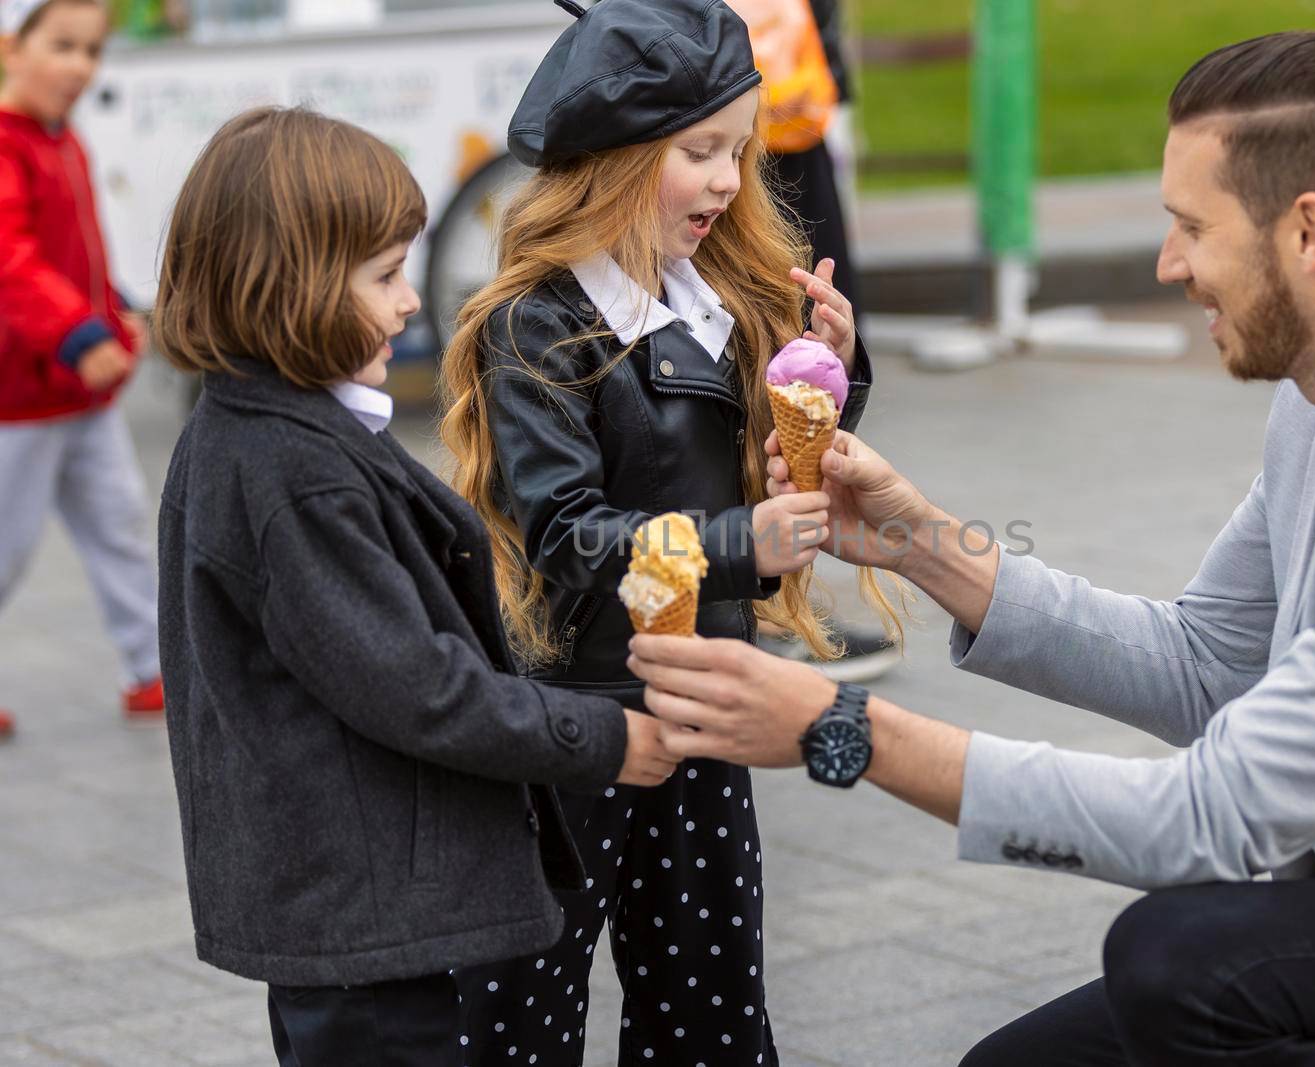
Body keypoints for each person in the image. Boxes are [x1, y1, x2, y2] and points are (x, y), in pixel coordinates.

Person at [627, 30, 1315, 1067]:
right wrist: (919, 542)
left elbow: (1217, 816)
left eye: (1190, 226)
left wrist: (844, 728)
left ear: (1310, 231)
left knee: (1181, 957)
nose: (1167, 263)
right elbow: (1205, 664)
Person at [152, 106, 682, 1065]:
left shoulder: (259, 426)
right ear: (293, 285)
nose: (409, 303)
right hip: (360, 913)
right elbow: (415, 686)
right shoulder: (290, 467)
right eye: (388, 275)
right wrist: (601, 737)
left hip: (345, 902)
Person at [437, 1, 897, 1060]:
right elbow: (566, 530)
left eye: (738, 151)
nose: (731, 181)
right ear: (614, 158)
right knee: (523, 1015)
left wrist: (832, 377)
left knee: (713, 1014)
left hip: (704, 705)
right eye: (700, 152)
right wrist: (743, 542)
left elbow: (776, 476)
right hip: (575, 722)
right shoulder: (536, 323)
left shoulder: (716, 302)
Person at [0, 0, 163, 739]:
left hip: (84, 395)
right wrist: (76, 331)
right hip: (20, 398)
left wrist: (114, 304)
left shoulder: (66, 140)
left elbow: (79, 250)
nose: (81, 66)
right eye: (61, 46)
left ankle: (153, 668)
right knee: (5, 546)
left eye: (92, 50)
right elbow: (11, 263)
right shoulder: (6, 144)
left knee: (122, 525)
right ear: (12, 46)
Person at [736, 0, 903, 684]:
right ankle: (761, 610)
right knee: (753, 329)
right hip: (740, 80)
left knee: (809, 342)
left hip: (789, 91)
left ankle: (776, 603)